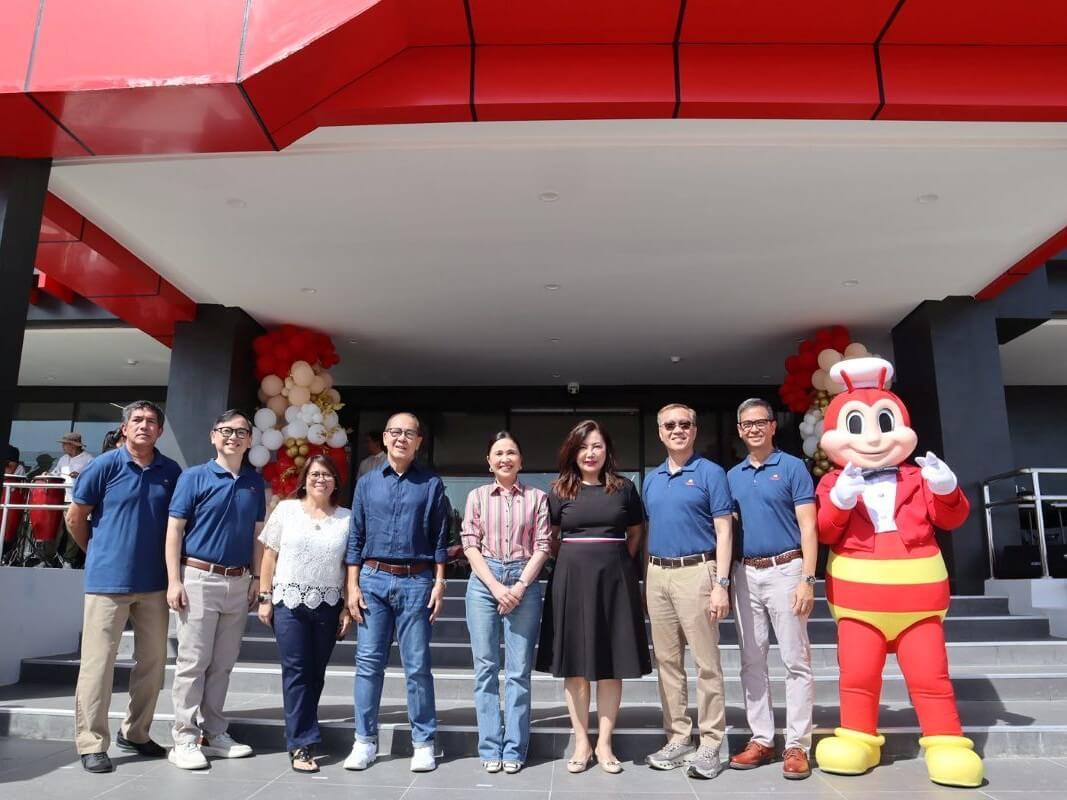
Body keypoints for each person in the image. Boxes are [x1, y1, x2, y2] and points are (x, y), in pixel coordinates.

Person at [65, 401, 181, 773]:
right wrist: (99, 552)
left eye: (151, 421)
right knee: (98, 665)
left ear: (160, 431)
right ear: (125, 428)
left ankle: (136, 732)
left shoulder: (171, 471)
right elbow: (75, 517)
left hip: (154, 585)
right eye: (137, 420)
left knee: (153, 662)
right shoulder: (103, 466)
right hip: (107, 583)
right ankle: (91, 742)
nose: (144, 426)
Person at [536, 420, 650, 775]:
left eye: (597, 446)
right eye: (583, 447)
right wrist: (577, 559)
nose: (590, 453)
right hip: (571, 581)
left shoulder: (624, 488)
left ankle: (605, 743)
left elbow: (636, 533)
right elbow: (551, 537)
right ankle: (582, 741)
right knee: (576, 664)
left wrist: (616, 563)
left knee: (611, 663)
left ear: (607, 451)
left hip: (615, 581)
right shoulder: (558, 491)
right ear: (573, 452)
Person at [344, 412, 449, 773]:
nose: (401, 438)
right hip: (372, 579)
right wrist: (352, 585)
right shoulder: (367, 483)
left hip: (416, 580)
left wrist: (439, 582)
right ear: (386, 438)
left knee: (417, 666)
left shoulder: (431, 484)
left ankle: (424, 743)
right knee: (368, 664)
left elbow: (440, 539)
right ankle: (364, 741)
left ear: (419, 442)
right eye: (395, 432)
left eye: (409, 433)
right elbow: (355, 537)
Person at [165, 409, 266, 770]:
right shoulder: (194, 477)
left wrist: (257, 578)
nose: (233, 437)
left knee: (223, 664)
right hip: (198, 577)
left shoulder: (254, 483)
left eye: (240, 432)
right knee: (193, 662)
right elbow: (174, 530)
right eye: (226, 430)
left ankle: (215, 732)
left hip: (238, 581)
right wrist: (174, 580)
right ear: (213, 436)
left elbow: (257, 534)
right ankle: (184, 738)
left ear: (250, 440)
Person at [641, 404, 734, 780]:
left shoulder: (711, 473)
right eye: (670, 425)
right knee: (667, 662)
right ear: (660, 432)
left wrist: (721, 584)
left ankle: (711, 743)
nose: (677, 430)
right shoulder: (652, 479)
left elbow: (724, 530)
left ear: (694, 430)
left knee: (706, 663)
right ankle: (678, 738)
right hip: (657, 573)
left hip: (698, 572)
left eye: (684, 424)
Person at [726, 398, 817, 780]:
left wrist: (808, 579)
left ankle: (797, 744)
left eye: (760, 422)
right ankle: (762, 739)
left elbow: (809, 526)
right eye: (746, 424)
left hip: (787, 569)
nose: (754, 429)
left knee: (796, 659)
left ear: (772, 426)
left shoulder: (793, 467)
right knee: (752, 660)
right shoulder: (732, 476)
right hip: (745, 573)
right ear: (739, 430)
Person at [462, 432, 551, 774]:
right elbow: (470, 545)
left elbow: (543, 545)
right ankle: (489, 745)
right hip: (485, 582)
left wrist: (519, 586)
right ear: (489, 461)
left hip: (524, 579)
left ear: (521, 461)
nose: (505, 458)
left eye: (511, 452)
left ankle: (514, 746)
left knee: (517, 671)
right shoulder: (476, 497)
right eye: (498, 453)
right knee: (485, 668)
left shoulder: (537, 498)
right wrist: (497, 587)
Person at [257, 454, 352, 773]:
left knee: (316, 672)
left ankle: (303, 729)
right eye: (314, 474)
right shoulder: (286, 510)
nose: (320, 479)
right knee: (296, 671)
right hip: (288, 602)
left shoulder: (347, 519)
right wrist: (265, 597)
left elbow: (349, 566)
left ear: (336, 482)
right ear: (304, 479)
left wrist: (346, 607)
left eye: (327, 475)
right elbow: (269, 556)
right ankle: (301, 743)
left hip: (328, 604)